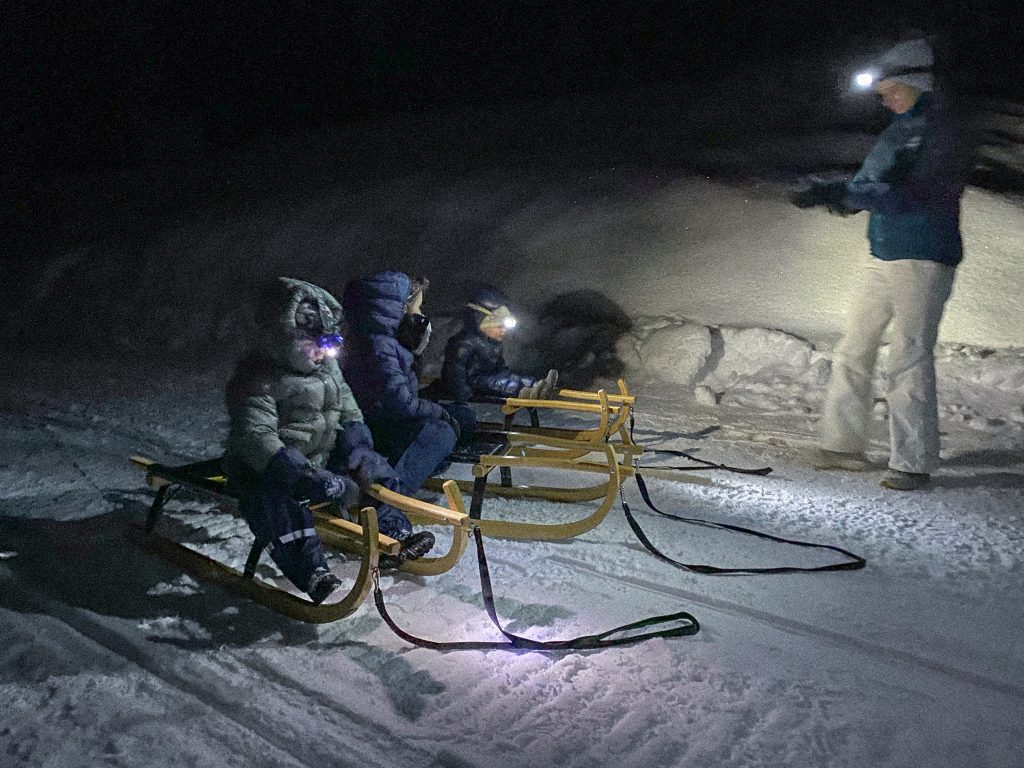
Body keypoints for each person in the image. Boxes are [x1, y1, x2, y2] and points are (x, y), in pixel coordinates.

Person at [790, 38, 971, 491]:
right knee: (853, 347)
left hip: (924, 254)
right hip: (884, 252)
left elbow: (920, 193)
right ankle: (841, 445)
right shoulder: (896, 131)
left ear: (917, 84)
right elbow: (870, 185)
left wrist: (850, 194)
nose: (885, 99)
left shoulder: (942, 131)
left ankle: (912, 461)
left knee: (908, 354)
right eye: (881, 92)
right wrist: (834, 191)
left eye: (891, 89)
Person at [223, 277, 435, 604]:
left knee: (366, 471)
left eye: (330, 344)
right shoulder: (260, 377)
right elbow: (256, 435)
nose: (323, 354)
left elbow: (348, 408)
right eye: (314, 346)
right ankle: (311, 570)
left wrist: (356, 441)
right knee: (277, 504)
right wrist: (298, 474)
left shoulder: (329, 369)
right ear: (285, 338)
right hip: (266, 466)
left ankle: (397, 532)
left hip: (317, 456)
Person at [342, 271, 467, 493]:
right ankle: (389, 497)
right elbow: (399, 404)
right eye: (417, 308)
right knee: (440, 431)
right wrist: (437, 412)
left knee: (463, 415)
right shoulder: (379, 347)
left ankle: (421, 466)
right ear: (400, 309)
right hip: (374, 427)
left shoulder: (389, 342)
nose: (421, 315)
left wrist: (415, 347)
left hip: (386, 419)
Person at [432, 284, 558, 403]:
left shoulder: (493, 344)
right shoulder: (464, 344)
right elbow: (454, 371)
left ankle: (537, 385)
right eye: (498, 327)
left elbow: (500, 367)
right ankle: (525, 392)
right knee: (499, 383)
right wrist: (462, 394)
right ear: (481, 324)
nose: (503, 331)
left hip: (488, 377)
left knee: (509, 378)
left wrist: (508, 374)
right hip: (475, 381)